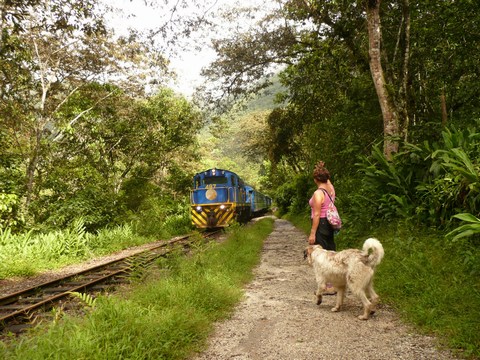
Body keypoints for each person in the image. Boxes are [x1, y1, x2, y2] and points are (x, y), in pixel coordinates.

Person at [308, 161, 337, 294]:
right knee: (331, 253)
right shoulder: (330, 189)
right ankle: (333, 284)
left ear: (315, 180)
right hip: (330, 224)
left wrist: (313, 233)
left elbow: (317, 214)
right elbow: (328, 181)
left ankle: (327, 286)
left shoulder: (318, 193)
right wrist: (322, 169)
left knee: (322, 255)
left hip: (322, 224)